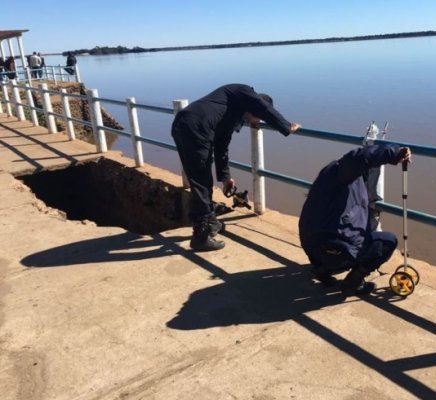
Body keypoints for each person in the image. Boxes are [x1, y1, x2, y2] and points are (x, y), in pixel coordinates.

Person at [171, 83, 301, 252]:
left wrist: (225, 177)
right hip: (196, 128)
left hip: (185, 126)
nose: (256, 122)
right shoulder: (242, 90)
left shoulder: (231, 113)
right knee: (201, 181)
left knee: (201, 178)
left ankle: (211, 222)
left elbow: (221, 146)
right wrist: (286, 126)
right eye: (259, 117)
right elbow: (263, 106)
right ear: (258, 108)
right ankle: (200, 236)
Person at [299, 144, 412, 297]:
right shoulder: (341, 174)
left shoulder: (322, 182)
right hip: (338, 250)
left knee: (332, 235)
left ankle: (322, 269)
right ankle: (353, 282)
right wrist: (396, 152)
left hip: (312, 248)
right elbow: (359, 157)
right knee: (389, 241)